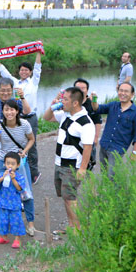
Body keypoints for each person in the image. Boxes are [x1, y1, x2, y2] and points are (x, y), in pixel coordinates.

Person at [43, 87, 95, 231]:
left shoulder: (85, 123)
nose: (62, 101)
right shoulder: (66, 115)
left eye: (65, 99)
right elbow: (46, 117)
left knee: (71, 198)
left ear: (75, 103)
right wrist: (53, 105)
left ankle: (77, 229)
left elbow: (88, 147)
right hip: (59, 163)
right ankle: (71, 225)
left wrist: (83, 169)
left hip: (72, 166)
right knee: (66, 197)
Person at [0, 100, 36, 236]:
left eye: (12, 110)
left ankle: (30, 223)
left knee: (25, 191)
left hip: (19, 162)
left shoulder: (25, 124)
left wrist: (25, 151)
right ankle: (6, 220)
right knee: (2, 190)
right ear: (3, 112)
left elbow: (31, 139)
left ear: (17, 111)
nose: (9, 112)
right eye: (6, 110)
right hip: (2, 160)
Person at [0, 52, 42, 183]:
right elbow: (5, 74)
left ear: (30, 72)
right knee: (16, 144)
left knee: (32, 145)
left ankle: (34, 172)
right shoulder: (15, 82)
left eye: (26, 70)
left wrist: (38, 52)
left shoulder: (34, 82)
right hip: (17, 117)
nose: (24, 72)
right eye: (22, 70)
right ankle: (16, 169)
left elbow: (38, 68)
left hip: (30, 117)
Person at [0, 77, 31, 210]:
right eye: (3, 90)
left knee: (17, 171)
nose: (5, 93)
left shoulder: (16, 102)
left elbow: (27, 111)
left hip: (15, 142)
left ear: (12, 91)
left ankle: (19, 198)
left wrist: (22, 97)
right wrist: (1, 125)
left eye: (8, 90)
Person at [91, 82, 136, 178]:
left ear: (132, 94)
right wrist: (94, 99)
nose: (122, 93)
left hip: (117, 149)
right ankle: (105, 192)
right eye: (121, 90)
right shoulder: (113, 105)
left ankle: (116, 192)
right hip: (104, 145)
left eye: (126, 91)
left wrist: (134, 153)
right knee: (104, 174)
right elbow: (97, 109)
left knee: (112, 176)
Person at [0, 152, 26, 249]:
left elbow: (20, 189)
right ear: (4, 164)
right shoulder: (1, 174)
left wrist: (14, 179)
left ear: (18, 165)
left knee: (16, 221)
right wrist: (3, 177)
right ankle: (3, 237)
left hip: (15, 205)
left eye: (13, 164)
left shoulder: (19, 177)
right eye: (8, 163)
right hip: (3, 203)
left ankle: (17, 239)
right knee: (3, 221)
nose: (10, 166)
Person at [74, 78, 103, 169]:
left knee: (89, 165)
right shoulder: (70, 103)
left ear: (87, 90)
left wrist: (96, 137)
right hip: (74, 138)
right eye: (78, 88)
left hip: (88, 138)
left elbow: (97, 121)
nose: (80, 90)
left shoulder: (92, 104)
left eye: (83, 88)